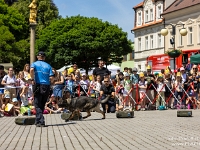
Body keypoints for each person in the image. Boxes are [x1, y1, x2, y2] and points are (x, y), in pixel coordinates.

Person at [30, 51, 54, 127]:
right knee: (42, 104)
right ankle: (37, 121)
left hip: (38, 85)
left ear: (37, 57)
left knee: (37, 104)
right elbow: (51, 77)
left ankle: (41, 121)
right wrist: (51, 82)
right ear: (44, 57)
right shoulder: (48, 65)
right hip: (46, 86)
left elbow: (31, 70)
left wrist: (32, 78)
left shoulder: (34, 64)